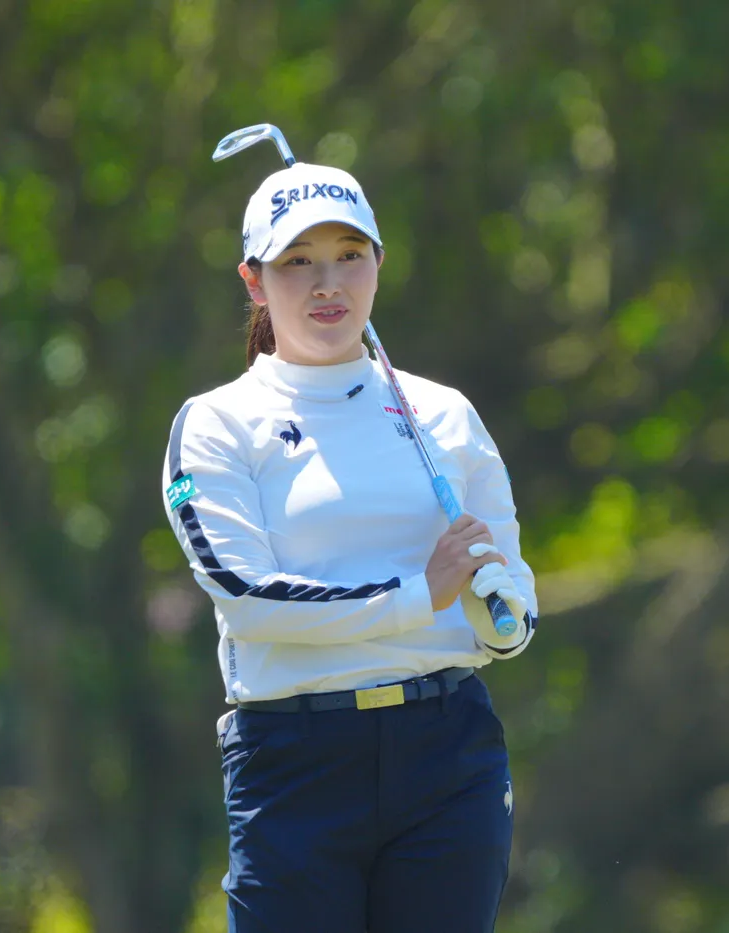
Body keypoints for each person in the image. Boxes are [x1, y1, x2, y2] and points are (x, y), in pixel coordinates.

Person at [161, 156, 539, 933]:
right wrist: (419, 595)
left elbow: (511, 590)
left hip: (447, 751)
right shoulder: (217, 423)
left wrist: (504, 620)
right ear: (254, 280)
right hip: (295, 760)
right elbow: (250, 596)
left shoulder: (445, 414)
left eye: (348, 255)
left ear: (378, 264)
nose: (327, 283)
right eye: (298, 262)